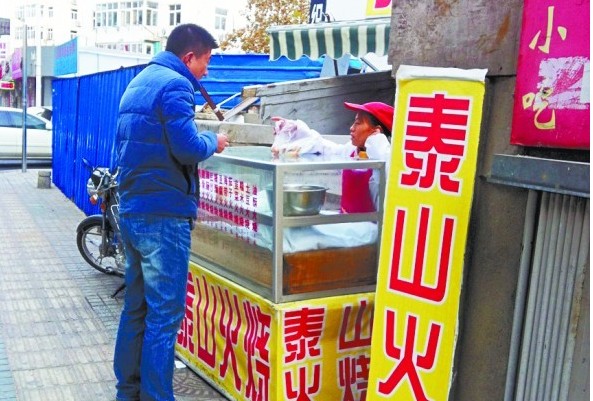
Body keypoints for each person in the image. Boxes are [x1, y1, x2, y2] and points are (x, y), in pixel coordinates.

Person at [113, 23, 228, 401]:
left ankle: (128, 392)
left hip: (132, 210)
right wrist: (216, 140)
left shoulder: (140, 81)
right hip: (163, 216)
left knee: (136, 309)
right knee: (164, 316)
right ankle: (158, 396)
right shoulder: (176, 85)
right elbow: (188, 148)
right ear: (188, 57)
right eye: (205, 62)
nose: (206, 71)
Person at [271, 101, 394, 213]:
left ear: (376, 132)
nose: (351, 128)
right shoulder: (351, 151)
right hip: (347, 224)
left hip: (368, 231)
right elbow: (322, 147)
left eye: (358, 123)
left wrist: (376, 142)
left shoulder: (385, 161)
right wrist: (294, 129)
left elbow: (386, 169)